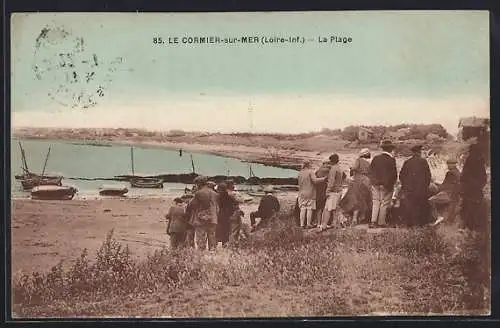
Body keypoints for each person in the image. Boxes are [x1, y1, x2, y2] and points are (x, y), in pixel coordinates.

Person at [399, 144, 432, 227]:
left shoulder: (407, 162)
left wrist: (405, 186)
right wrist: (425, 186)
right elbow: (428, 176)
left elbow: (401, 176)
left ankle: (409, 224)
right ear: (419, 152)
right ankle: (421, 224)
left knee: (409, 206)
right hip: (421, 189)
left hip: (409, 189)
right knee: (421, 205)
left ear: (413, 153)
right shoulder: (423, 162)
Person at [368, 140, 398, 228]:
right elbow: (393, 174)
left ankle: (373, 222)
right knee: (384, 203)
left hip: (375, 184)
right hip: (386, 185)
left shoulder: (376, 158)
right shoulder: (391, 160)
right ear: (391, 149)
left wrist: (374, 182)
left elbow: (371, 172)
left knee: (376, 202)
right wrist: (391, 184)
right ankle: (381, 222)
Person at [339, 148, 372, 226]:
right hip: (367, 181)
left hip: (358, 180)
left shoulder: (358, 160)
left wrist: (351, 169)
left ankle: (353, 219)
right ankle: (361, 218)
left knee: (354, 199)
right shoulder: (369, 162)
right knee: (363, 199)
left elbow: (354, 168)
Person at [460, 142, 487, 231]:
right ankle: (476, 226)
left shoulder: (470, 159)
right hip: (477, 188)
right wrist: (480, 185)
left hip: (470, 188)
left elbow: (464, 175)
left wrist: (465, 185)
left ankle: (469, 226)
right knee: (476, 206)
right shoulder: (480, 160)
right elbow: (484, 177)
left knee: (468, 207)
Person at [187, 175, 219, 250]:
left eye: (196, 183)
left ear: (199, 183)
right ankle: (212, 254)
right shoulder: (215, 194)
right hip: (213, 218)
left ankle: (201, 255)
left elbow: (192, 205)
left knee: (201, 239)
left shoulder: (199, 193)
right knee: (212, 238)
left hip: (201, 219)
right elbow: (217, 207)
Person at [428, 158, 461, 226]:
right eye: (448, 164)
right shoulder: (458, 172)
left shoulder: (450, 173)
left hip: (448, 194)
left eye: (449, 164)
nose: (448, 166)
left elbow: (444, 186)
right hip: (455, 194)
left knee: (431, 200)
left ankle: (438, 217)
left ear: (453, 165)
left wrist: (435, 184)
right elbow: (449, 184)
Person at [298, 160, 327, 229]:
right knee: (309, 208)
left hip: (301, 192)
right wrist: (324, 179)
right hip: (310, 192)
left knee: (303, 208)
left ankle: (302, 225)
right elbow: (315, 181)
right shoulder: (310, 172)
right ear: (309, 165)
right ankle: (308, 224)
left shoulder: (300, 173)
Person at [318, 154, 343, 232]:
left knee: (327, 209)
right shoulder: (339, 168)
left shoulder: (333, 169)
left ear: (331, 161)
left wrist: (327, 190)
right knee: (335, 209)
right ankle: (335, 223)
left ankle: (324, 225)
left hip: (333, 191)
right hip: (339, 190)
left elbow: (331, 181)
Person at [216, 182, 238, 247]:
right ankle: (224, 246)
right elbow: (232, 208)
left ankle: (215, 248)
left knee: (217, 233)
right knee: (226, 233)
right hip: (227, 218)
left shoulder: (218, 197)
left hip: (219, 217)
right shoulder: (230, 198)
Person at [314, 161, 332, 227]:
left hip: (318, 191)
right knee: (326, 208)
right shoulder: (329, 170)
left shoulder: (317, 170)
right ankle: (325, 223)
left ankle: (318, 223)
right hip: (326, 190)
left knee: (319, 208)